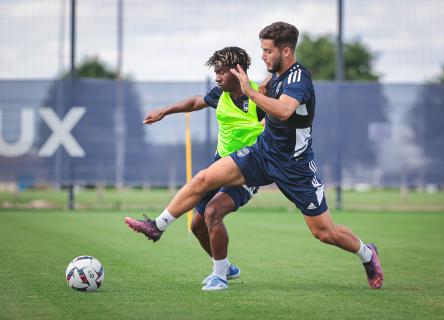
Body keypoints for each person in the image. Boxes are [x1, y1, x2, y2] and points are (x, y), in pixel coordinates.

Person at [126, 22, 384, 290]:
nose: (263, 56)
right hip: (262, 153)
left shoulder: (298, 79)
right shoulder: (272, 80)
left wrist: (250, 92)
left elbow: (284, 111)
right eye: (262, 50)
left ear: (285, 51)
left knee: (324, 233)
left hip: (295, 166)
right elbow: (209, 100)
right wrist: (167, 111)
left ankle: (367, 253)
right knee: (204, 180)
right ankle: (158, 226)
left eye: (267, 51)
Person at [127, 47, 265, 291]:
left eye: (222, 72)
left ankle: (219, 277)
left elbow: (281, 116)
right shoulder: (219, 94)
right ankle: (225, 266)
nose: (217, 77)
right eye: (216, 72)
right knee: (196, 225)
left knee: (213, 213)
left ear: (238, 71)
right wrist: (165, 111)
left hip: (247, 170)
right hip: (221, 164)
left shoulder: (258, 96)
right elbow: (194, 102)